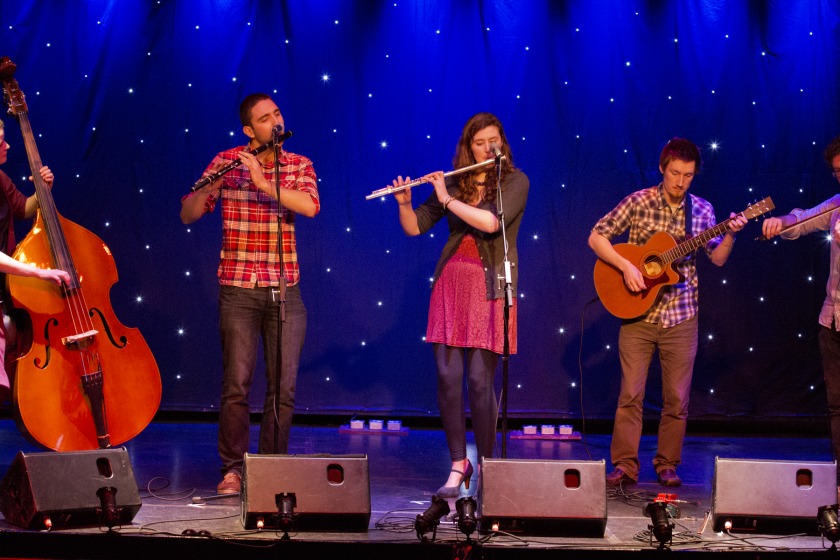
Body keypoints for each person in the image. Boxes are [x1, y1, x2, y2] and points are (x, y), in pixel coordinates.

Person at [588, 137, 747, 487]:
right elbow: (597, 237)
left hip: (682, 315)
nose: (680, 182)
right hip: (638, 315)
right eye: (675, 173)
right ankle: (625, 465)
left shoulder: (702, 210)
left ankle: (667, 464)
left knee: (677, 399)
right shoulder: (639, 201)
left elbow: (717, 259)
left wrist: (732, 235)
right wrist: (626, 267)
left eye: (688, 176)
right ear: (662, 168)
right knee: (630, 394)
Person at [181, 93, 319, 495]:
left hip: (284, 290)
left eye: (277, 113)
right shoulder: (226, 161)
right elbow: (188, 213)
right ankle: (233, 470)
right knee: (237, 384)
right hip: (238, 289)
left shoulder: (298, 165)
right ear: (249, 130)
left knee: (283, 388)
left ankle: (270, 468)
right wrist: (219, 181)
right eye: (264, 118)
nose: (275, 122)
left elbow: (310, 206)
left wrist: (262, 182)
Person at [389, 112, 529, 497]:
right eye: (481, 141)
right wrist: (405, 203)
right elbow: (415, 226)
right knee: (448, 380)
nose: (489, 147)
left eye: (495, 139)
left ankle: (486, 464)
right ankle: (458, 463)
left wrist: (446, 198)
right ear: (469, 146)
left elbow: (489, 223)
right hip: (451, 286)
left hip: (491, 289)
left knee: (481, 383)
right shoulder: (455, 182)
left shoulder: (515, 182)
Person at [761, 135, 840, 490]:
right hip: (832, 321)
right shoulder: (837, 206)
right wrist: (782, 222)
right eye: (838, 172)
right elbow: (804, 219)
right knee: (837, 407)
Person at [0, 119, 71, 404]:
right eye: (1, 140)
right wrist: (38, 273)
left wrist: (43, 190)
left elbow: (23, 208)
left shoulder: (0, 179)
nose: (7, 145)